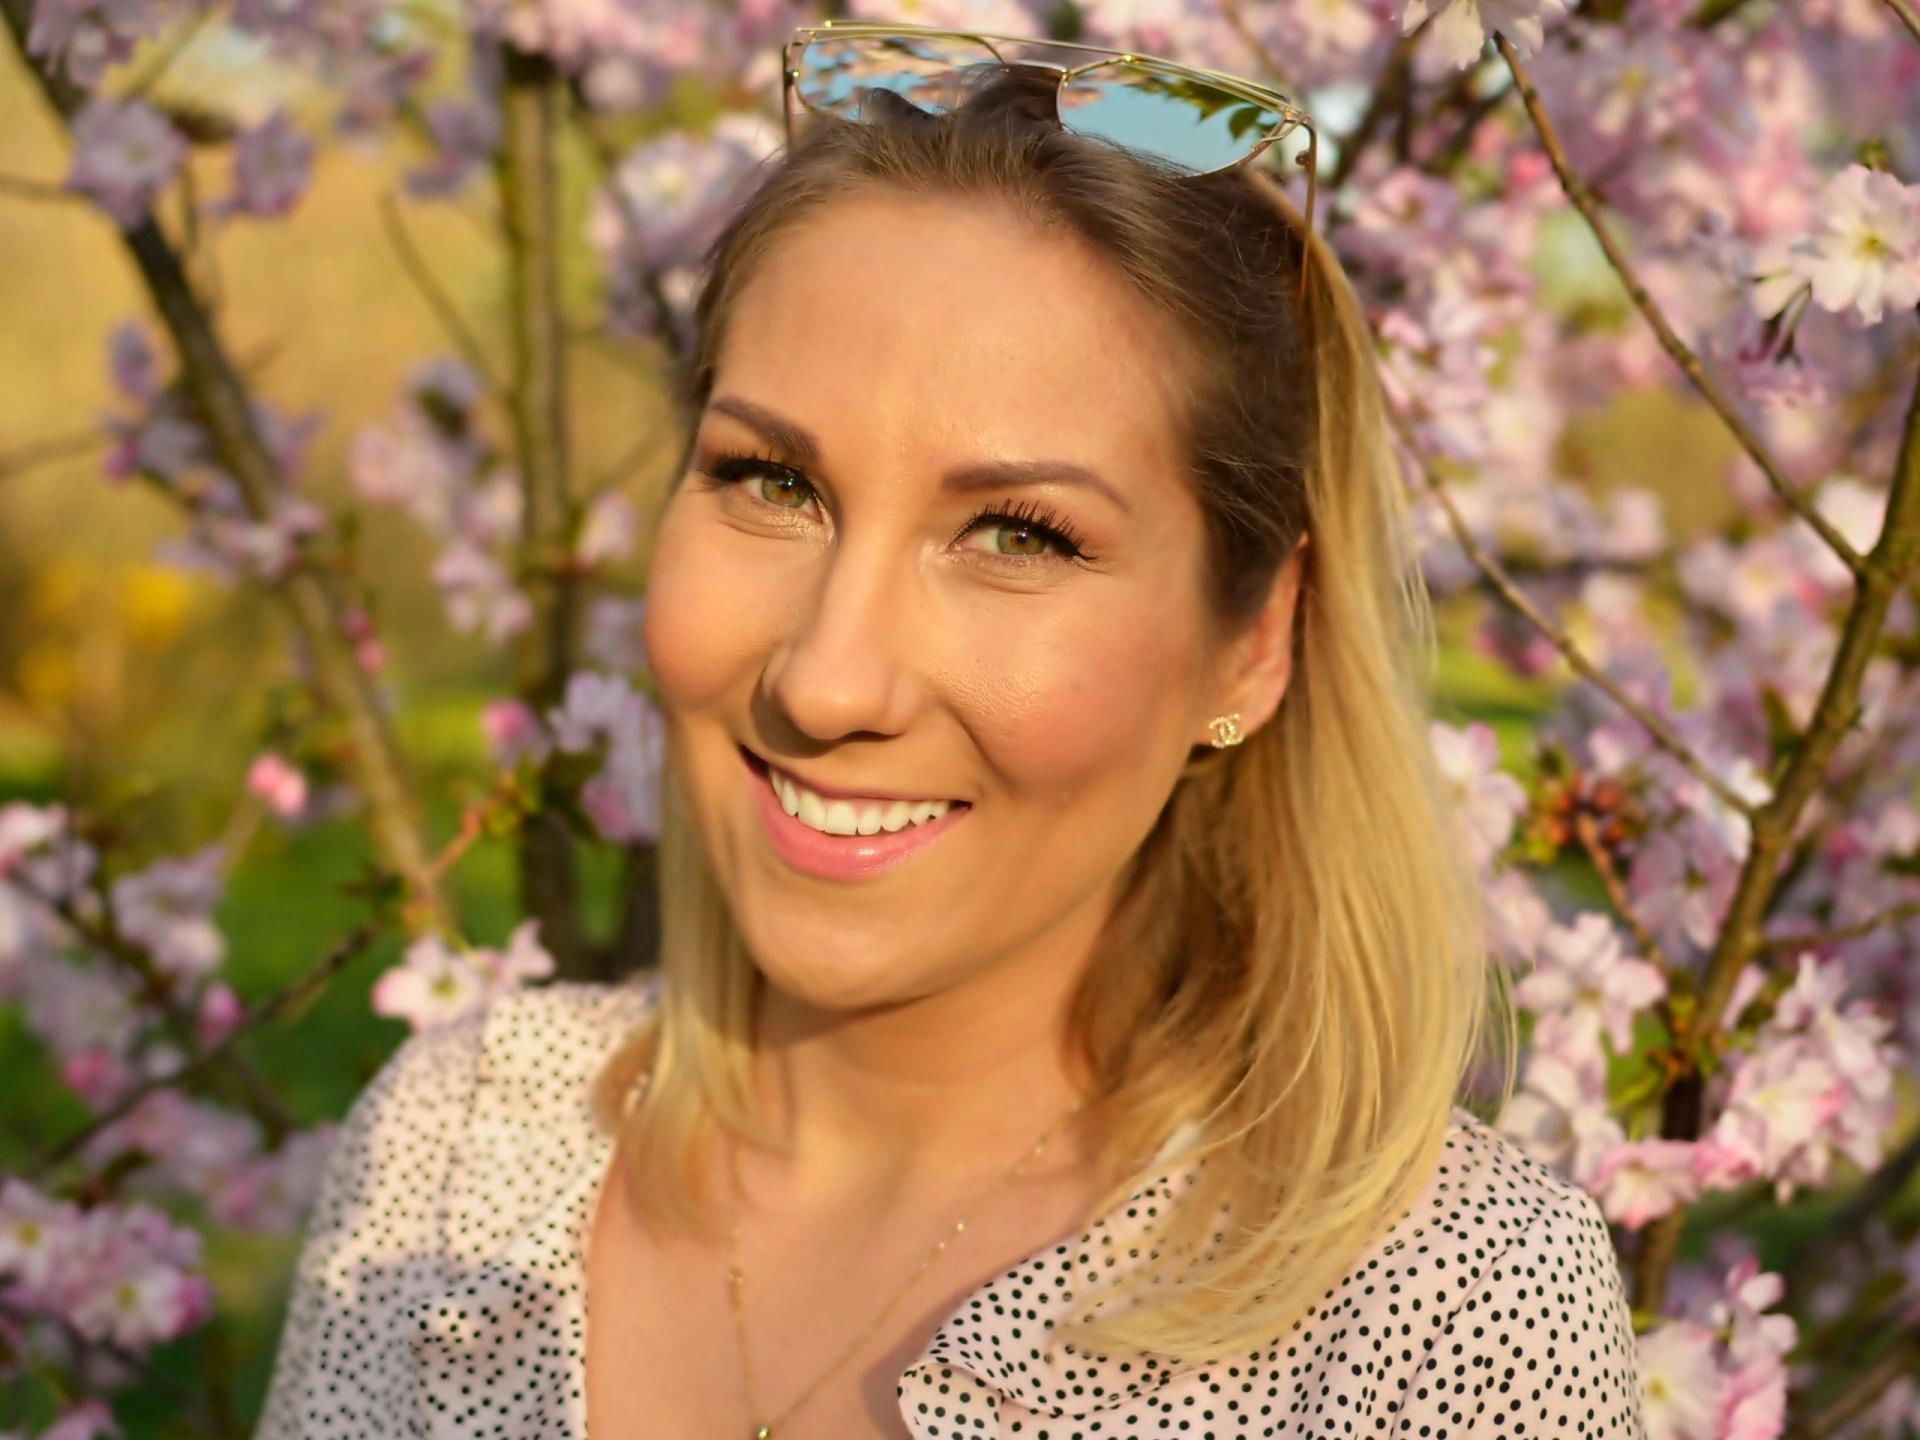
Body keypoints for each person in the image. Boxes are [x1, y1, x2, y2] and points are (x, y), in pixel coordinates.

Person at [254, 34, 1649, 1440]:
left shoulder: (1440, 1313)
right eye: (771, 482)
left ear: (1253, 642)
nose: (828, 683)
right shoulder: (463, 1147)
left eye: (1018, 535)